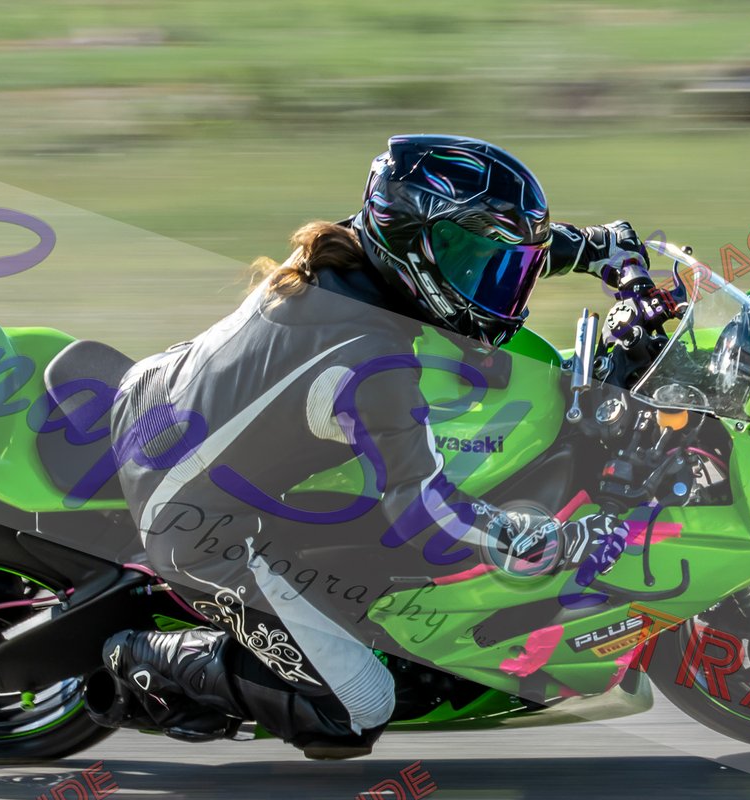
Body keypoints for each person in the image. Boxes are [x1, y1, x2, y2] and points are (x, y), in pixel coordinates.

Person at [96, 134, 649, 759]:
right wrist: (558, 540)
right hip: (195, 521)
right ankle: (140, 655)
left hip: (159, 397)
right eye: (475, 261)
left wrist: (594, 247)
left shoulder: (356, 248)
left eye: (500, 266)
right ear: (416, 246)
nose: (495, 282)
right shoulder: (370, 364)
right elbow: (426, 516)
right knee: (358, 707)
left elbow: (473, 259)